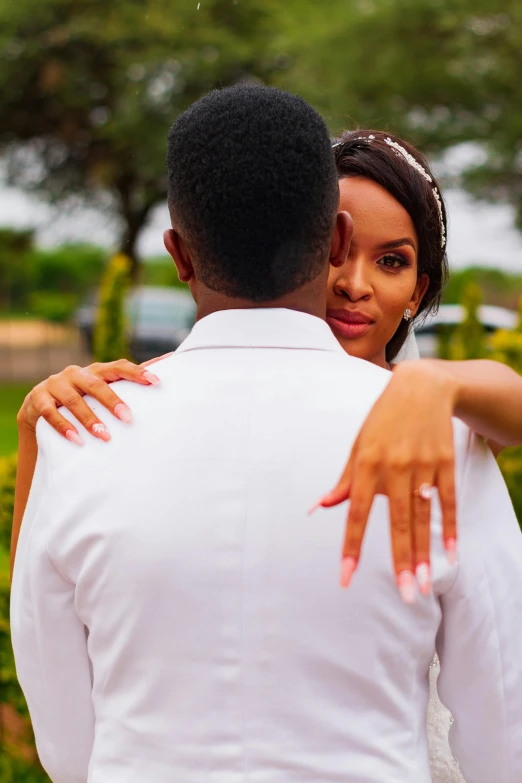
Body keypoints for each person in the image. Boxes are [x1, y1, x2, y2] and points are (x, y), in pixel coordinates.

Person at [10, 84, 522, 783]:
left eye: (394, 261)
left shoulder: (88, 431)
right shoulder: (445, 450)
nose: (359, 287)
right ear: (333, 237)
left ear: (179, 255)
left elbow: (69, 750)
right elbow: (505, 735)